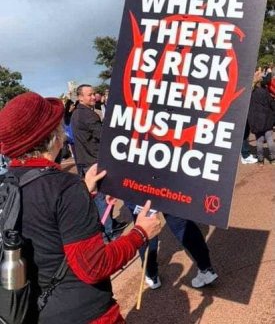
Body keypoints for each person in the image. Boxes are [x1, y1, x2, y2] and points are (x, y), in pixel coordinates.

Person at [0, 92, 161, 324]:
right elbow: (93, 266)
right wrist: (140, 234)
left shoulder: (7, 183)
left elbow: (42, 218)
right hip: (87, 314)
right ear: (53, 135)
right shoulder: (64, 186)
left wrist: (83, 192)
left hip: (33, 312)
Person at [71, 84, 128, 240]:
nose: (93, 96)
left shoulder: (76, 114)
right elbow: (104, 137)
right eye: (89, 94)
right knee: (102, 198)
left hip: (85, 161)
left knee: (99, 198)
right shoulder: (89, 115)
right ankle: (108, 232)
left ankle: (109, 225)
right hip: (94, 162)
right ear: (80, 97)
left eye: (94, 93)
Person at [125, 202, 218, 289]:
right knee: (181, 224)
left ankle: (151, 274)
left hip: (140, 189)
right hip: (168, 188)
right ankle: (206, 268)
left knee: (145, 227)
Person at [248, 79, 275, 165]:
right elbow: (273, 105)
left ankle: (260, 160)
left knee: (259, 141)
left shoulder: (251, 94)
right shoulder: (266, 93)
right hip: (267, 119)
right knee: (270, 140)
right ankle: (273, 158)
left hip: (257, 121)